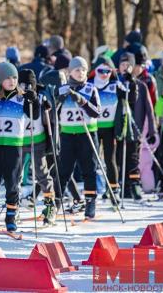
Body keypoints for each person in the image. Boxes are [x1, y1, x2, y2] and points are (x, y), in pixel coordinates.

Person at [0, 64, 38, 231]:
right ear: (0, 80)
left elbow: (34, 114)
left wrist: (33, 100)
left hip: (14, 146)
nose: (12, 81)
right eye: (7, 78)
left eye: (14, 78)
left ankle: (11, 216)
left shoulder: (21, 98)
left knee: (12, 183)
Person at [56, 56, 101, 220]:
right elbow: (53, 110)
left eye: (83, 69)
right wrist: (60, 98)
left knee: (89, 170)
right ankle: (55, 203)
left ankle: (90, 202)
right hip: (68, 135)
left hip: (87, 134)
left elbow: (96, 112)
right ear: (70, 72)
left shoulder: (91, 89)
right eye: (77, 70)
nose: (80, 73)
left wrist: (81, 100)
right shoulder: (63, 89)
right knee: (64, 171)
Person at [90, 56, 136, 204]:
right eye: (101, 70)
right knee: (92, 161)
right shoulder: (89, 85)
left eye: (108, 71)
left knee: (110, 160)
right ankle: (91, 191)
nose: (104, 74)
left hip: (110, 129)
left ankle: (113, 190)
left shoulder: (115, 85)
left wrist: (131, 80)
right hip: (93, 128)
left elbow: (132, 97)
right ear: (95, 70)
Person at [115, 52, 156, 202]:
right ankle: (123, 186)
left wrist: (152, 130)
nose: (125, 68)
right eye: (123, 65)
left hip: (135, 128)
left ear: (133, 67)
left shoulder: (140, 85)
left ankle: (135, 185)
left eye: (128, 65)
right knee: (119, 158)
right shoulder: (115, 84)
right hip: (119, 129)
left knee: (133, 158)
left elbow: (149, 109)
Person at [18, 69, 55, 225]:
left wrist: (48, 107)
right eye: (22, 85)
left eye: (29, 86)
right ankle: (12, 208)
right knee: (15, 175)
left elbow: (50, 119)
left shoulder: (40, 97)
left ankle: (50, 205)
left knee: (41, 173)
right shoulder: (15, 98)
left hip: (37, 140)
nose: (25, 89)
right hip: (19, 141)